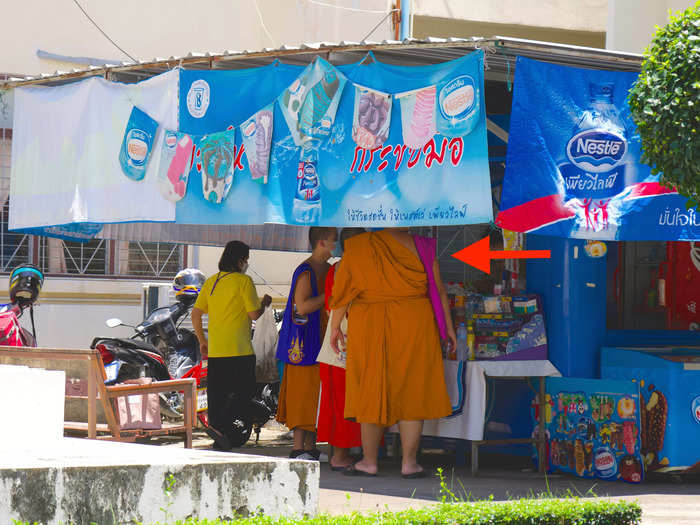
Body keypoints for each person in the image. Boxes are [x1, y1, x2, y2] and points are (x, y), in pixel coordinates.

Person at [329, 228, 456, 477]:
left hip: (370, 321)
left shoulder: (358, 245)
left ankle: (369, 461)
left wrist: (335, 327)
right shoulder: (422, 245)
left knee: (371, 387)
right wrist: (448, 328)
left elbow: (343, 292)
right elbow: (438, 291)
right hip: (414, 320)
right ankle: (409, 463)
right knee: (411, 389)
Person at [192, 240, 272, 450]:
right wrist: (264, 303)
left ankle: (219, 432)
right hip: (240, 351)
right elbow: (254, 314)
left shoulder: (211, 282)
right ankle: (225, 431)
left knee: (217, 396)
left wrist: (202, 340)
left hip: (216, 351)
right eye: (246, 259)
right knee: (243, 394)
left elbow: (195, 314)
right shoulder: (244, 281)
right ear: (239, 260)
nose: (246, 263)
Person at [276, 227, 338, 460]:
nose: (337, 244)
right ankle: (298, 447)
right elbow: (301, 307)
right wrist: (329, 296)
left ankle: (311, 446)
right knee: (302, 394)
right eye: (334, 240)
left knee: (315, 394)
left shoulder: (328, 269)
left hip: (321, 336)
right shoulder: (306, 270)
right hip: (301, 342)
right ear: (322, 242)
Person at [317, 227, 366, 470]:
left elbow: (329, 304)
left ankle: (341, 453)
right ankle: (338, 456)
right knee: (343, 402)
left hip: (339, 344)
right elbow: (334, 304)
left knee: (340, 402)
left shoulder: (337, 269)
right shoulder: (348, 269)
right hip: (343, 344)